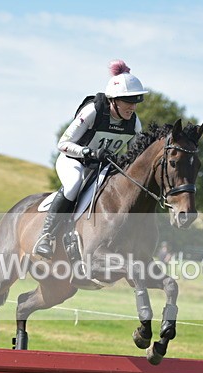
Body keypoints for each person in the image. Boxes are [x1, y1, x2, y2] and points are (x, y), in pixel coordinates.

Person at [35, 59, 148, 259]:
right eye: (128, 101)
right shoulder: (93, 112)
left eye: (136, 102)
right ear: (114, 99)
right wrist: (90, 153)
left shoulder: (134, 123)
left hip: (102, 168)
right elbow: (63, 143)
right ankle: (46, 236)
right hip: (73, 161)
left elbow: (135, 158)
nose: (133, 107)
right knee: (73, 184)